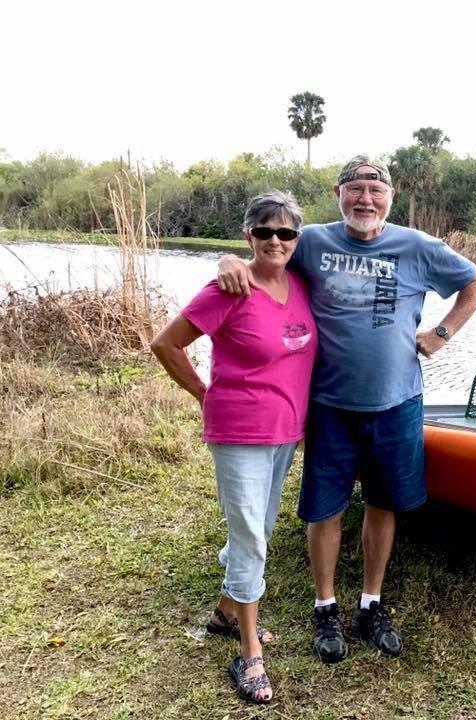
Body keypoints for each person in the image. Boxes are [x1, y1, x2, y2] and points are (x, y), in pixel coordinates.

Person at [217, 154, 476, 662]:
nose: (366, 198)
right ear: (338, 193)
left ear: (390, 197)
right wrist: (230, 261)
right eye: (356, 188)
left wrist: (442, 333)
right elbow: (265, 257)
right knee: (325, 508)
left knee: (383, 503)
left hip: (397, 401)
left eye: (376, 189)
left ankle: (371, 603)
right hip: (329, 404)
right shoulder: (313, 241)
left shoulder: (417, 246)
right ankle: (325, 608)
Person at [151, 191, 316, 703]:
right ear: (247, 234)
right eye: (263, 231)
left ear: (296, 240)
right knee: (250, 538)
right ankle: (248, 653)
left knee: (259, 527)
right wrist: (205, 394)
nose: (274, 240)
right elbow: (166, 343)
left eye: (285, 232)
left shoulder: (302, 282)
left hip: (287, 429)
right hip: (240, 429)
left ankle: (226, 611)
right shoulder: (228, 287)